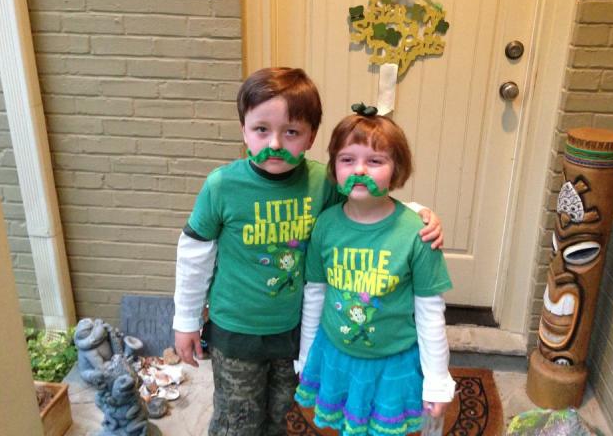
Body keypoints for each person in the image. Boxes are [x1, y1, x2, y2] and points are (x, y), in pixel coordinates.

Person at [172, 68, 444, 436]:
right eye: (261, 129)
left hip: (295, 330)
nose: (275, 143)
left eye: (291, 132)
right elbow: (194, 256)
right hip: (237, 331)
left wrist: (417, 213)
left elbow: (365, 204)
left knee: (280, 413)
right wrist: (186, 320)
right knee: (237, 421)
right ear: (243, 130)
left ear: (311, 136)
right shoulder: (222, 186)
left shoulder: (322, 183)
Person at [295, 109, 455, 436]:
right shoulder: (325, 226)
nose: (359, 170)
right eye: (347, 160)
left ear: (397, 169)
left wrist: (437, 380)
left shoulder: (418, 234)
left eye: (375, 161)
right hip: (336, 355)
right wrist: (306, 356)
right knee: (347, 426)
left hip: (393, 363)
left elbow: (430, 312)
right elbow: (315, 294)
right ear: (334, 167)